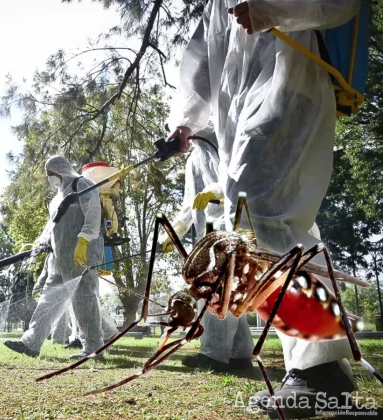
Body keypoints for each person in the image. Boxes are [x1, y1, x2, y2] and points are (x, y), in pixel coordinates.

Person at [166, 1, 360, 417]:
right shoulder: (214, 5)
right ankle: (324, 368)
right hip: (236, 114)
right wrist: (184, 121)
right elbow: (200, 60)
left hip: (293, 81)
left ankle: (320, 369)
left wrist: (273, 9)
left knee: (253, 218)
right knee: (277, 227)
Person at [160, 127, 255, 372]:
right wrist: (173, 233)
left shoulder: (227, 142)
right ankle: (240, 354)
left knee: (217, 292)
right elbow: (188, 204)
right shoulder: (193, 159)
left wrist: (215, 191)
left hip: (233, 228)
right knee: (231, 292)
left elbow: (242, 181)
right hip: (209, 237)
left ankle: (213, 354)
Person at [4, 155, 104, 359]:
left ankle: (94, 349)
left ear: (60, 171)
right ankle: (31, 343)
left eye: (51, 174)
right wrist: (41, 244)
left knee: (83, 299)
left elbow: (93, 214)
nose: (49, 178)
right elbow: (51, 226)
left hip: (82, 253)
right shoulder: (56, 198)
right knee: (48, 299)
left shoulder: (82, 184)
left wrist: (84, 241)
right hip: (59, 257)